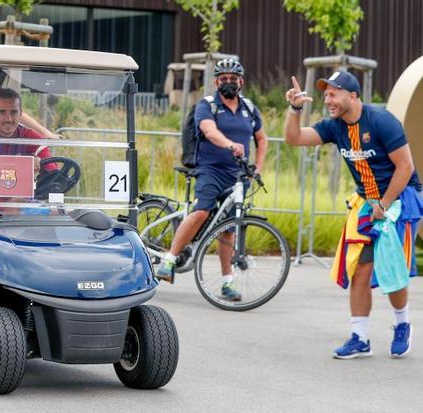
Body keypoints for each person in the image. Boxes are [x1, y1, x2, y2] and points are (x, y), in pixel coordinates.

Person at [284, 71, 422, 359]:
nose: (327, 99)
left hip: (398, 197)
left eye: (334, 94)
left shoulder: (381, 121)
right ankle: (360, 337)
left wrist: (383, 205)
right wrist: (295, 108)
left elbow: (405, 167)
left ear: (353, 96)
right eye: (326, 94)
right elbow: (294, 139)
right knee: (360, 267)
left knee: (390, 267)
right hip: (367, 201)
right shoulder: (335, 126)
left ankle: (402, 324)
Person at [155, 58, 268, 300]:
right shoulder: (206, 105)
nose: (229, 82)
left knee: (228, 229)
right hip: (210, 170)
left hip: (238, 176)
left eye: (233, 78)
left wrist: (258, 167)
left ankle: (227, 283)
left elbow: (262, 139)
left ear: (241, 81)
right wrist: (230, 145)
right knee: (201, 212)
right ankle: (169, 260)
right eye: (224, 78)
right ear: (216, 81)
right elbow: (209, 130)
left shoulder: (249, 108)